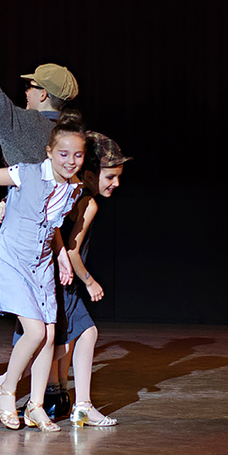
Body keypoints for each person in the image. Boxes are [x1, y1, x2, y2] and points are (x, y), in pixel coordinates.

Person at [0, 112, 86, 432]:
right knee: (35, 332)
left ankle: (35, 406)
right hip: (12, 260)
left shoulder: (74, 188)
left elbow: (52, 226)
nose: (71, 162)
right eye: (64, 154)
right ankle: (5, 391)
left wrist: (61, 256)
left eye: (78, 155)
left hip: (41, 265)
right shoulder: (27, 173)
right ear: (49, 152)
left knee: (49, 335)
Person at [55, 131, 132, 427]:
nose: (116, 183)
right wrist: (89, 281)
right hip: (64, 283)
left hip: (63, 283)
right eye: (110, 177)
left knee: (84, 335)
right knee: (55, 346)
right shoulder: (87, 203)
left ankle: (82, 404)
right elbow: (72, 251)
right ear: (89, 175)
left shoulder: (72, 193)